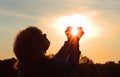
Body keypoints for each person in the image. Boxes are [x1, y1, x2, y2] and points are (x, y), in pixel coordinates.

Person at [13, 26, 84, 77]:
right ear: (36, 47)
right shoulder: (48, 68)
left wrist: (69, 41)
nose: (45, 35)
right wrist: (76, 41)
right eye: (40, 35)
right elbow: (72, 69)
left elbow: (57, 60)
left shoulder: (25, 70)